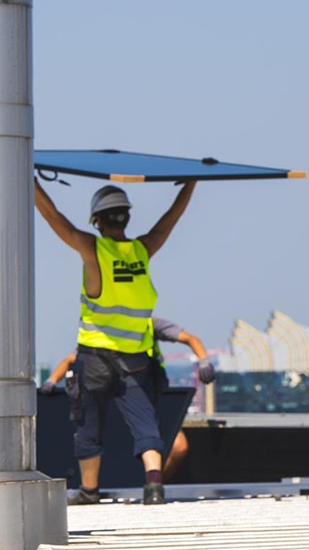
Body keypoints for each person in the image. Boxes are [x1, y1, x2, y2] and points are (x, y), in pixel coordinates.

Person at [35, 179, 195, 505]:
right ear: (127, 218)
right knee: (145, 421)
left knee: (88, 424)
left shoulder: (93, 250)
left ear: (97, 220)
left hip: (94, 358)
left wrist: (30, 179)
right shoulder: (143, 250)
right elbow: (172, 217)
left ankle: (89, 491)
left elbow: (53, 216)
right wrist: (190, 183)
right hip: (134, 358)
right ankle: (153, 486)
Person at [41, 317, 216, 484]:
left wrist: (204, 362)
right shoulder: (104, 330)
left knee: (177, 446)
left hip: (149, 397)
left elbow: (190, 338)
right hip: (115, 401)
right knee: (96, 438)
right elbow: (73, 358)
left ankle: (153, 483)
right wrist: (52, 381)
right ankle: (93, 488)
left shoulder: (150, 323)